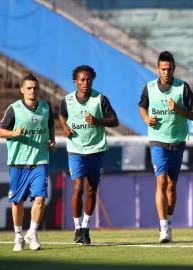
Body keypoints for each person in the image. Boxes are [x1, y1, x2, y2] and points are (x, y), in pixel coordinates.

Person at [138, 51, 193, 243]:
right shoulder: (149, 87)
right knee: (161, 182)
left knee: (172, 187)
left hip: (178, 141)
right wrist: (147, 118)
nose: (166, 72)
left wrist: (179, 110)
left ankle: (169, 222)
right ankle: (163, 228)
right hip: (157, 141)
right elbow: (142, 106)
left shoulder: (183, 88)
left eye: (169, 69)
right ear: (158, 69)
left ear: (174, 69)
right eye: (163, 69)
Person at [59, 65, 119, 245]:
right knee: (77, 188)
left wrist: (98, 121)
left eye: (88, 79)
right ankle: (77, 228)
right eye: (82, 80)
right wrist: (64, 127)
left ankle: (86, 228)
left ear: (92, 80)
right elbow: (62, 114)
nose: (85, 82)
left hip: (96, 150)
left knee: (91, 190)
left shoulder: (100, 99)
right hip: (76, 150)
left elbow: (115, 120)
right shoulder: (67, 100)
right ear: (75, 81)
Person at [0, 73, 56, 251]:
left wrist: (52, 140)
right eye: (29, 88)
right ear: (22, 90)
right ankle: (18, 235)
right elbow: (0, 131)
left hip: (40, 160)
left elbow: (50, 125)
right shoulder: (14, 109)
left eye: (35, 88)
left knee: (40, 198)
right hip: (18, 162)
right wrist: (13, 133)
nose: (32, 91)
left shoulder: (46, 108)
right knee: (18, 202)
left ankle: (32, 232)